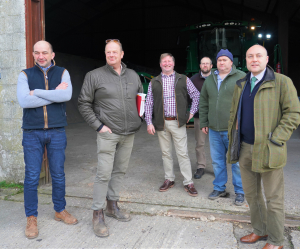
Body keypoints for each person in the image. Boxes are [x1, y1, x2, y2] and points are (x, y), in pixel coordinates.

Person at [227, 45, 300, 249]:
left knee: (274, 198)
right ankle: (260, 231)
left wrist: (277, 139)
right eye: (250, 56)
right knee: (252, 195)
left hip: (269, 149)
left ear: (266, 58)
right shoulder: (241, 84)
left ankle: (276, 240)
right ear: (246, 59)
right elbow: (235, 114)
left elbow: (294, 113)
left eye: (258, 55)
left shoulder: (282, 82)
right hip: (244, 148)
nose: (254, 59)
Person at [78, 39, 143, 237]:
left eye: (115, 52)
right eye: (108, 52)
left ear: (122, 54)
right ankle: (97, 214)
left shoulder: (133, 75)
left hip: (129, 132)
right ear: (105, 54)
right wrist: (98, 126)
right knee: (103, 173)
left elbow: (141, 99)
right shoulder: (94, 76)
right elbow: (83, 103)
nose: (112, 55)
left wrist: (141, 119)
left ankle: (112, 206)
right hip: (108, 133)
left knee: (120, 171)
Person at [17, 40, 77, 239]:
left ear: (52, 54)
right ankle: (31, 217)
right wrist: (55, 94)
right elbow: (24, 100)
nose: (40, 56)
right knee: (32, 176)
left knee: (58, 174)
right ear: (33, 54)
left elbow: (66, 95)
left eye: (44, 52)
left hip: (57, 130)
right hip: (32, 132)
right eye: (37, 53)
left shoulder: (62, 72)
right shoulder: (25, 74)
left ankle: (60, 210)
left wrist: (38, 93)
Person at [145, 53, 200, 197]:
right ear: (160, 64)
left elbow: (196, 96)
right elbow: (149, 103)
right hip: (161, 123)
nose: (167, 63)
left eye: (169, 61)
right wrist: (149, 122)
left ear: (173, 64)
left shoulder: (183, 79)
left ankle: (188, 182)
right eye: (164, 61)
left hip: (178, 122)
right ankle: (169, 179)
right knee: (166, 153)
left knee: (182, 153)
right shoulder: (154, 82)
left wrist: (191, 112)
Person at [199, 49, 246, 205]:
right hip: (213, 129)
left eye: (225, 60)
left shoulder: (241, 77)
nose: (222, 62)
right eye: (219, 60)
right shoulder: (210, 79)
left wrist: (243, 122)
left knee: (237, 163)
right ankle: (219, 188)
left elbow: (247, 102)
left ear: (231, 62)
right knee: (218, 162)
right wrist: (204, 122)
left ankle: (240, 191)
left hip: (234, 129)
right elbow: (204, 101)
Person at [189, 57, 213, 179]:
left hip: (215, 117)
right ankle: (201, 166)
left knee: (217, 144)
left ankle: (218, 167)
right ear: (200, 65)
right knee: (200, 143)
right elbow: (188, 97)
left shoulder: (217, 78)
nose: (205, 65)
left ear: (211, 65)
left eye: (207, 63)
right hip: (200, 116)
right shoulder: (193, 80)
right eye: (203, 63)